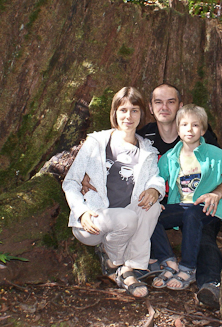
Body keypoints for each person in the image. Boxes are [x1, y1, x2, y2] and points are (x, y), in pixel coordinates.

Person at [83, 83, 222, 308]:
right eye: (158, 102)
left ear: (180, 106)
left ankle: (210, 284)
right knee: (142, 220)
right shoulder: (144, 136)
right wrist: (90, 176)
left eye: (171, 102)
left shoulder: (197, 133)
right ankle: (159, 264)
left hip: (198, 206)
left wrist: (216, 194)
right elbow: (119, 166)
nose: (164, 107)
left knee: (204, 237)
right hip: (163, 207)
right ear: (151, 108)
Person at [62, 87, 165, 298]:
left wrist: (155, 189)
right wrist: (81, 212)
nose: (128, 116)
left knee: (152, 207)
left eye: (134, 110)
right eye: (123, 110)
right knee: (127, 218)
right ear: (114, 113)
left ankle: (130, 266)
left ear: (141, 114)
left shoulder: (147, 149)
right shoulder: (97, 143)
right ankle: (113, 261)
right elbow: (71, 181)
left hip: (125, 219)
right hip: (93, 222)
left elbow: (155, 176)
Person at [151, 105, 222, 292]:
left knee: (201, 230)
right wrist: (156, 201)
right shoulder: (170, 157)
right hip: (183, 209)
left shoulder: (215, 154)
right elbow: (156, 179)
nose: (189, 129)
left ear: (202, 130)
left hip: (209, 210)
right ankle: (168, 261)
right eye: (184, 125)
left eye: (195, 125)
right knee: (149, 215)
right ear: (178, 129)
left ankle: (195, 272)